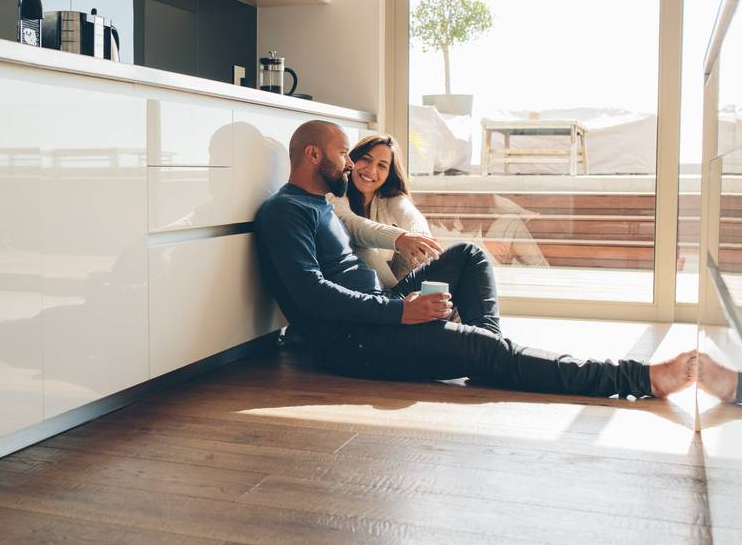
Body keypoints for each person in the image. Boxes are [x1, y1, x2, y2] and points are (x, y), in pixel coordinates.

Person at [255, 119, 695, 398]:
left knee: (469, 255)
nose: (350, 166)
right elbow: (311, 295)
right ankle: (638, 380)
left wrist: (398, 305)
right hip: (351, 343)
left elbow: (364, 239)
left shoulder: (322, 206)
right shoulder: (283, 211)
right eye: (342, 155)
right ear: (313, 155)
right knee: (483, 349)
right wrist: (399, 314)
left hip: (380, 314)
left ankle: (486, 356)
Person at [329, 133, 432, 288]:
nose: (371, 169)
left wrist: (419, 238)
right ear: (353, 159)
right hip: (353, 283)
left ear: (388, 174)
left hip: (391, 280)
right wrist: (400, 238)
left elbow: (411, 216)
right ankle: (399, 300)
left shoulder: (389, 198)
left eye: (382, 165)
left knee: (469, 251)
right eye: (366, 159)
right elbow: (351, 222)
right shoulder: (336, 193)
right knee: (362, 244)